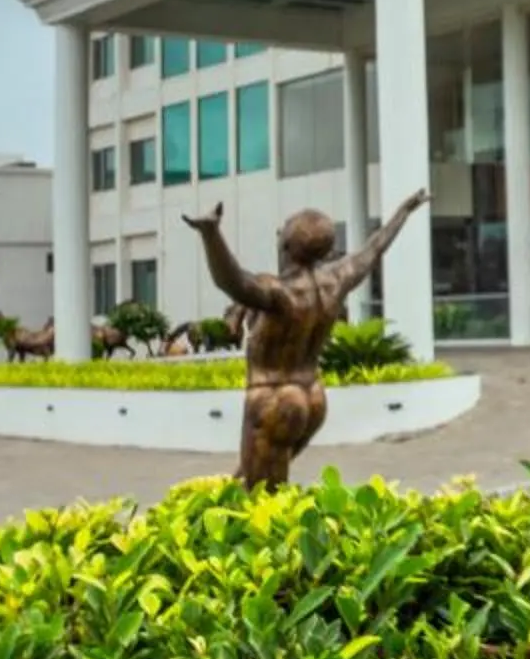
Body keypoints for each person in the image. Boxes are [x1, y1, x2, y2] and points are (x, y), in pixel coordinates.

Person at [179, 190, 429, 487]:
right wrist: (404, 211)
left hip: (274, 397)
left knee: (262, 496)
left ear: (285, 244)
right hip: (313, 396)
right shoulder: (336, 279)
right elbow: (374, 249)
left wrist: (211, 234)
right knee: (256, 474)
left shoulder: (280, 291)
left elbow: (232, 281)